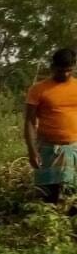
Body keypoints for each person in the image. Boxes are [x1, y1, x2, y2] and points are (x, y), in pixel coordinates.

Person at [24, 48, 77, 204]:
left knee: (71, 195)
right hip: (48, 150)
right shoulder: (38, 89)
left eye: (69, 70)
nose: (65, 74)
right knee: (48, 196)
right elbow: (29, 122)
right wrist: (32, 151)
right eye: (61, 71)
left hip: (73, 148)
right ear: (53, 67)